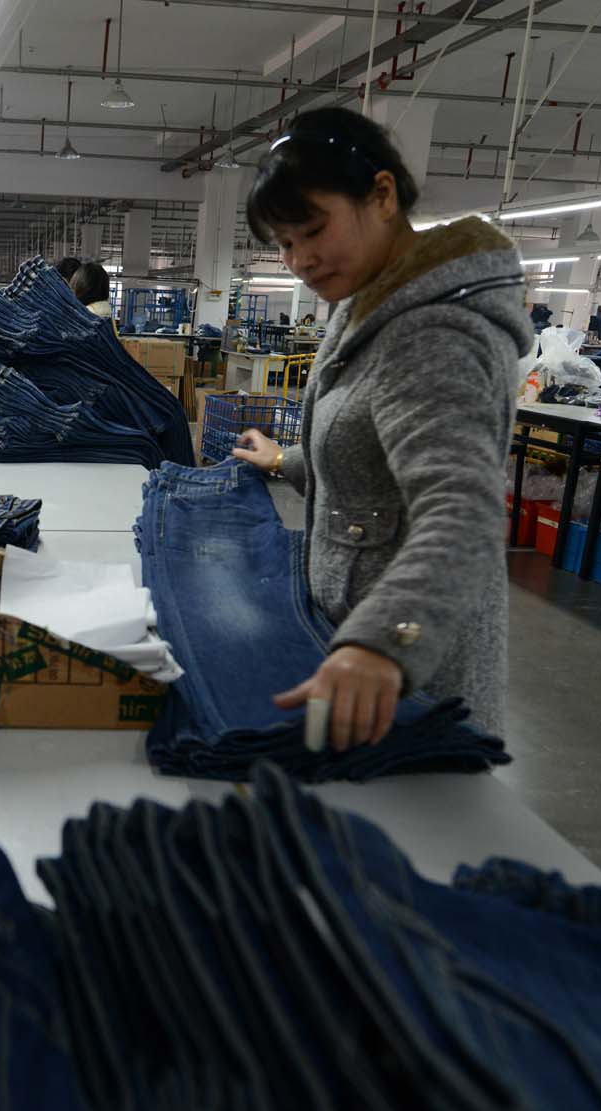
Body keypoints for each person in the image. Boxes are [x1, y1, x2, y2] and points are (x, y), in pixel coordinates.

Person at [228, 107, 529, 748]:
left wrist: (384, 642)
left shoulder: (433, 334)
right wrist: (288, 461)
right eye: (285, 244)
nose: (300, 260)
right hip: (352, 645)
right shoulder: (365, 301)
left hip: (409, 681)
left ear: (383, 195)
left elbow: (463, 510)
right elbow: (375, 455)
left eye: (313, 230)